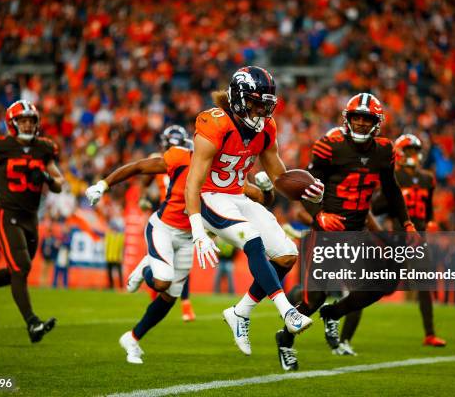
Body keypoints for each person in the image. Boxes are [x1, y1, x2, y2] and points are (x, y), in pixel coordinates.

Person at [85, 126, 272, 364]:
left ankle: (132, 338)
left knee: (169, 297)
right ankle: (146, 268)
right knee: (162, 281)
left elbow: (261, 200)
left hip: (188, 239)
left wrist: (267, 189)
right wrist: (103, 185)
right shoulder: (181, 158)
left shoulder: (226, 175)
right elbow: (139, 167)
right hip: (163, 227)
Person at [184, 66, 324, 356]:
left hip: (238, 196)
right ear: (238, 97)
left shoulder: (266, 129)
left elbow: (280, 178)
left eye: (266, 104)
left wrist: (308, 190)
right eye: (256, 102)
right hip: (211, 196)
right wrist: (198, 230)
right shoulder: (215, 123)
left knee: (287, 255)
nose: (261, 110)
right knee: (252, 239)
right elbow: (193, 181)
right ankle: (287, 311)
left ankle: (240, 312)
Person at [275, 93, 417, 370]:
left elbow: (392, 190)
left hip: (358, 232)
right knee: (313, 299)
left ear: (377, 123)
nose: (362, 123)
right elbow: (307, 189)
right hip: (328, 233)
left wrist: (407, 223)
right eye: (357, 117)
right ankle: (285, 340)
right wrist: (320, 215)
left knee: (385, 281)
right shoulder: (330, 146)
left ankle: (334, 313)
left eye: (367, 119)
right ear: (348, 119)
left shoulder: (384, 150)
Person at [0, 100, 63, 343]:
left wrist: (46, 178)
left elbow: (59, 182)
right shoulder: (2, 146)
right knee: (21, 268)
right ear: (13, 123)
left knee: (16, 271)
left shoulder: (44, 148)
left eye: (31, 120)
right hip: (6, 215)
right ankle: (32, 323)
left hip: (31, 218)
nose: (28, 124)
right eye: (23, 120)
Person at [343, 134, 447, 353]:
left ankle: (430, 334)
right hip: (397, 240)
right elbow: (375, 207)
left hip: (418, 241)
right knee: (378, 288)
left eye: (414, 151)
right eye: (408, 150)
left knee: (424, 287)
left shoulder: (428, 179)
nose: (413, 155)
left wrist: (431, 223)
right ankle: (342, 334)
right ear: (399, 154)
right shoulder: (394, 176)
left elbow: (427, 213)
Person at [140, 126, 197, 322]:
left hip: (184, 214)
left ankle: (185, 303)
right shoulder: (159, 159)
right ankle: (158, 295)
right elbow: (145, 180)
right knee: (165, 264)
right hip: (165, 214)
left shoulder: (188, 159)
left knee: (182, 263)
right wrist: (146, 198)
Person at [105, 220, 125, 290]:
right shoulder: (109, 235)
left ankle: (121, 286)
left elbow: (122, 247)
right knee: (109, 273)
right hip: (110, 257)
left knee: (119, 273)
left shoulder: (120, 236)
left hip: (117, 257)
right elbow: (106, 246)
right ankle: (111, 286)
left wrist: (121, 257)